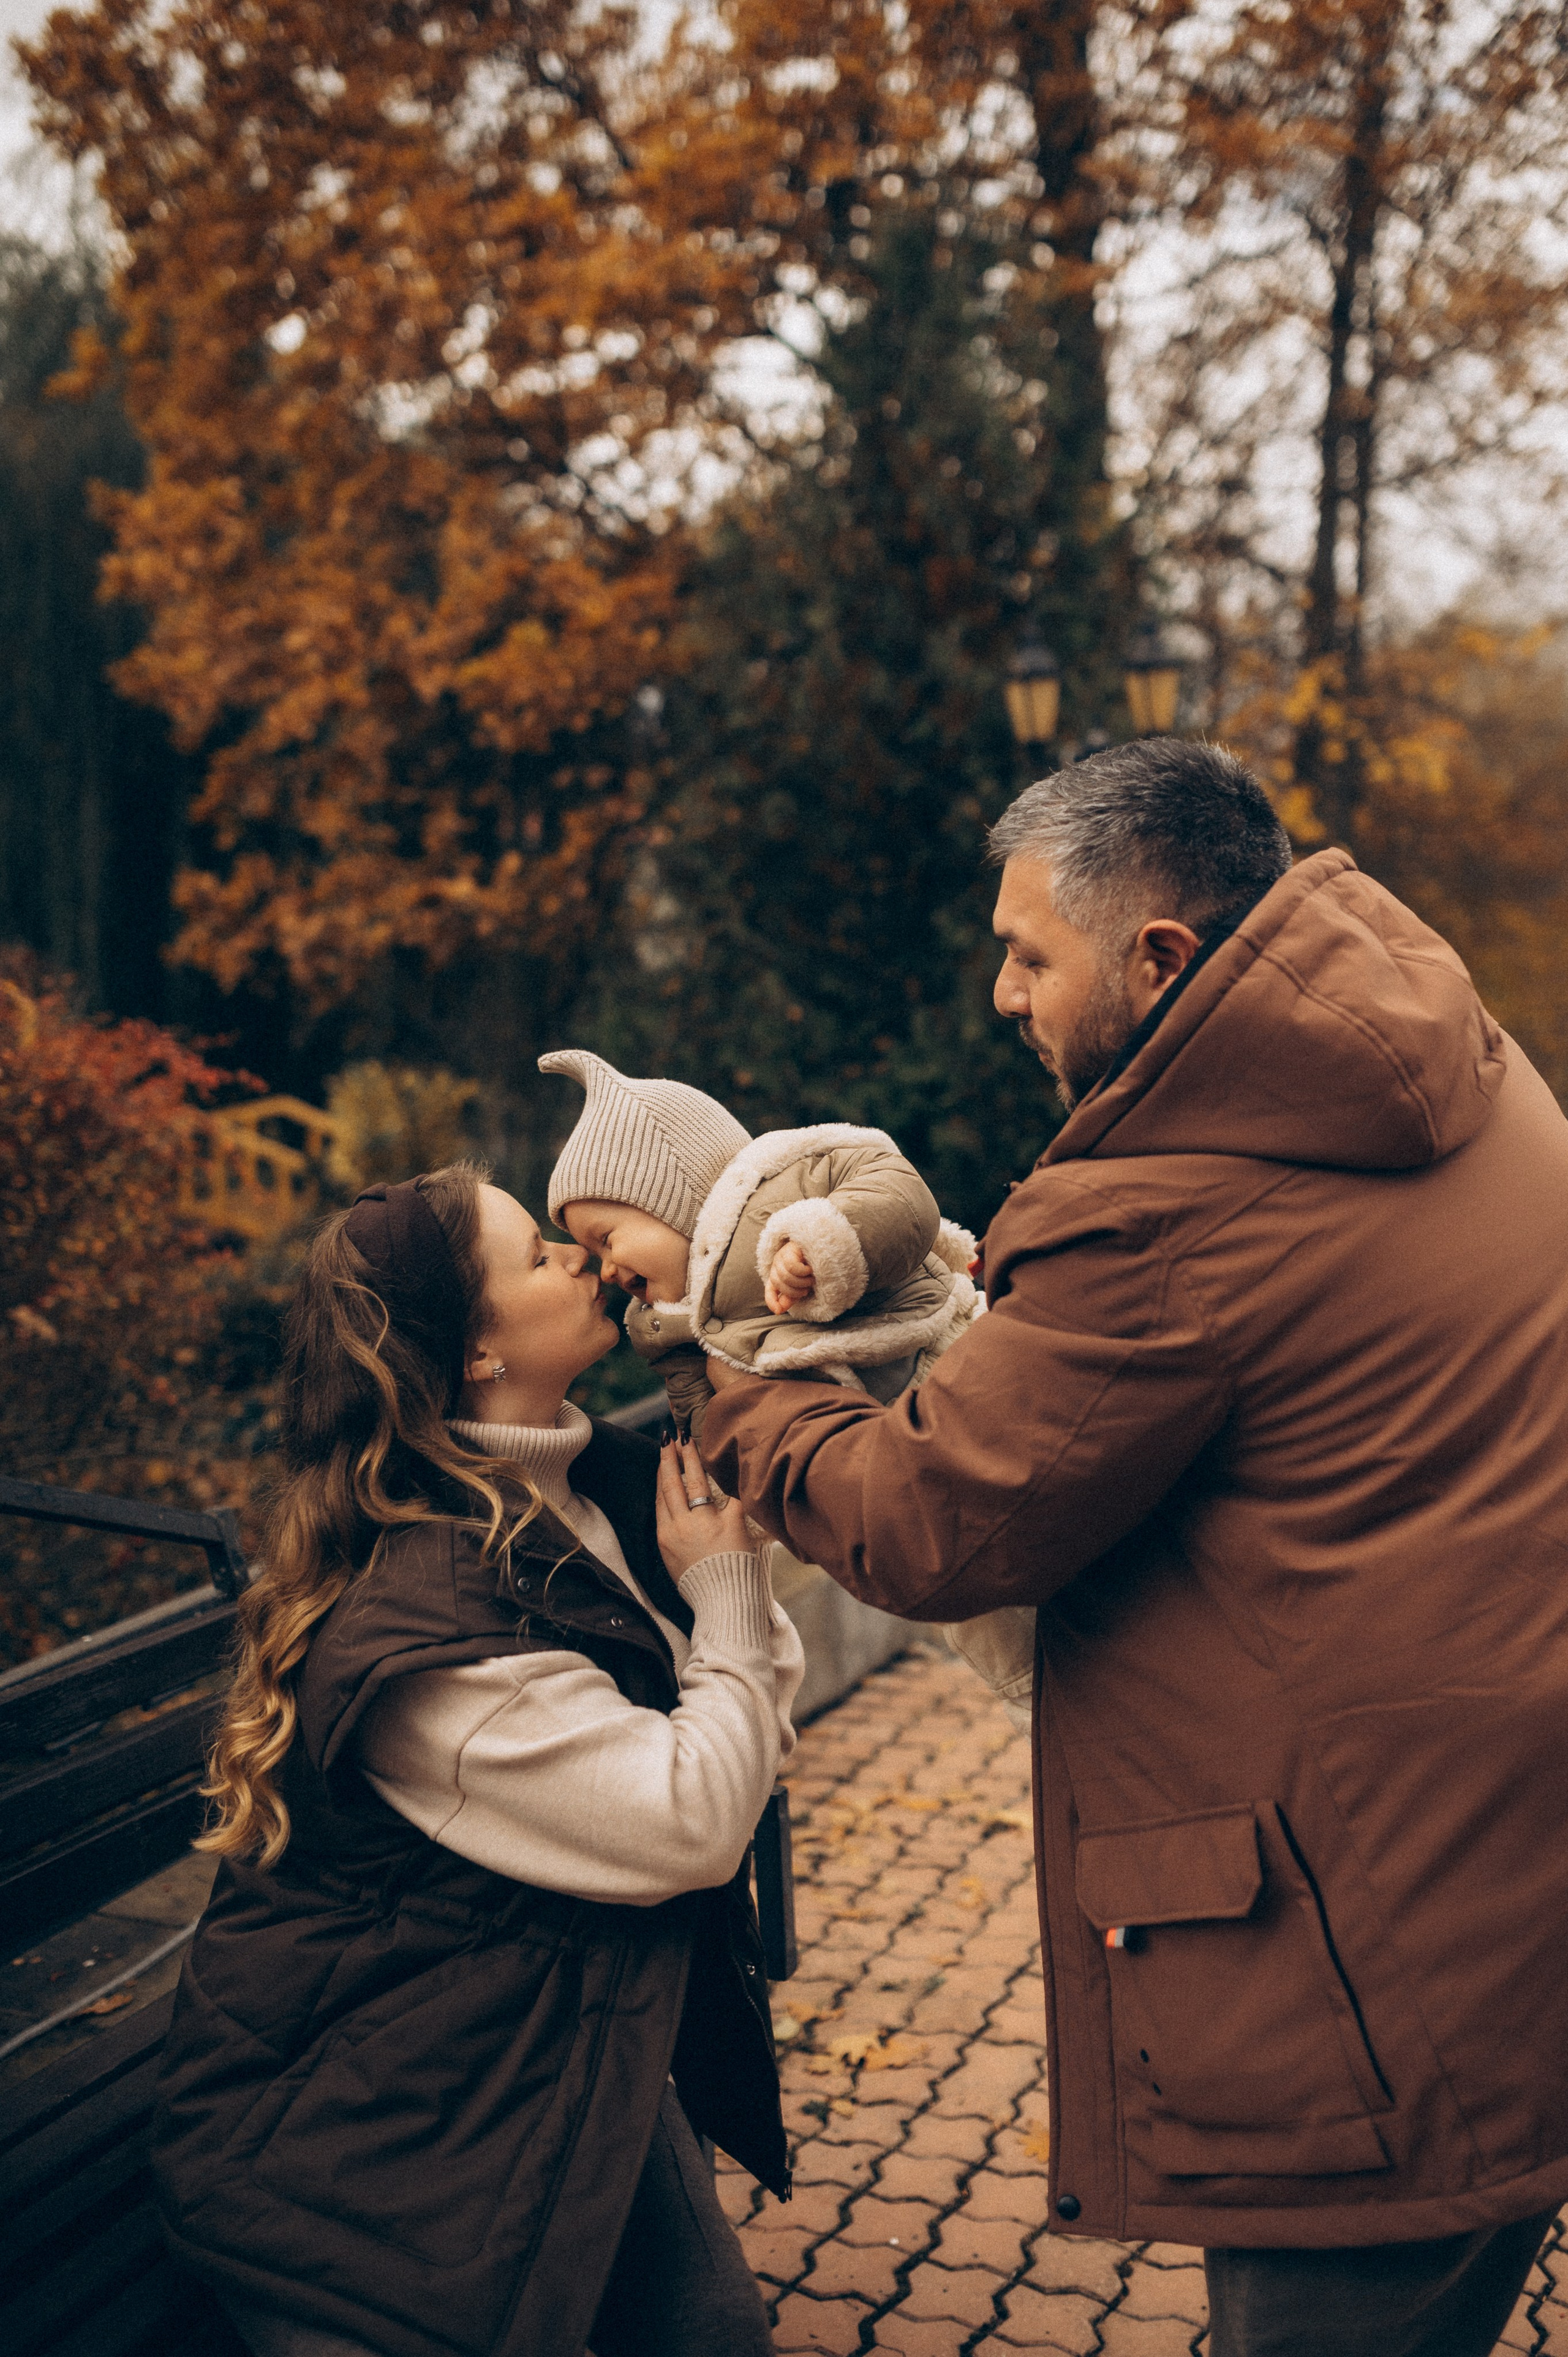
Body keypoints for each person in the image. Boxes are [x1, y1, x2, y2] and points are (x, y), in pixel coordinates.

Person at [698, 737, 1568, 2357]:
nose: (1003, 995)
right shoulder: (1462, 1061)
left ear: (1159, 956)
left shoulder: (1164, 1215)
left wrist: (734, 1387)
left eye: (1031, 956)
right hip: (1510, 1885)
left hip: (1366, 1979)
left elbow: (923, 1522)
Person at [149, 1163, 802, 2357]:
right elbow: (695, 1818)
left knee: (713, 2334)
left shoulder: (594, 1482)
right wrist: (726, 1600)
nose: (577, 1254)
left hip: (550, 2009)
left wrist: (728, 1636)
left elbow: (756, 1716)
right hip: (368, 2132)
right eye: (536, 1254)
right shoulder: (425, 1625)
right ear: (474, 1352)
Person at [537, 1049, 978, 1431]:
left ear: (675, 1201)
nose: (606, 1271)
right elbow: (709, 1422)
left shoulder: (790, 1188)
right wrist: (724, 1480)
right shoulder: (669, 1329)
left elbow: (899, 1198)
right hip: (860, 1441)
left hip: (944, 1363)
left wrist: (817, 1241)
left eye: (607, 1240)